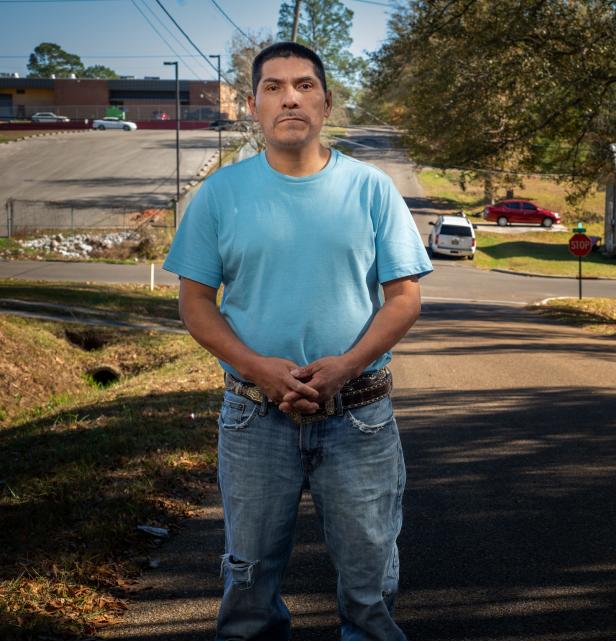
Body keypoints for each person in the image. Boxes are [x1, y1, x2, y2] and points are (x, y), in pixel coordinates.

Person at [163, 41, 431, 641]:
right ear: (253, 105)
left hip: (359, 415)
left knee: (369, 589)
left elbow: (404, 297)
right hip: (253, 417)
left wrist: (344, 367)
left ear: (327, 102)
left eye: (305, 85)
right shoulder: (220, 195)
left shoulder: (371, 189)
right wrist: (257, 368)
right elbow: (195, 303)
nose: (290, 97)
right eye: (275, 87)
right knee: (249, 586)